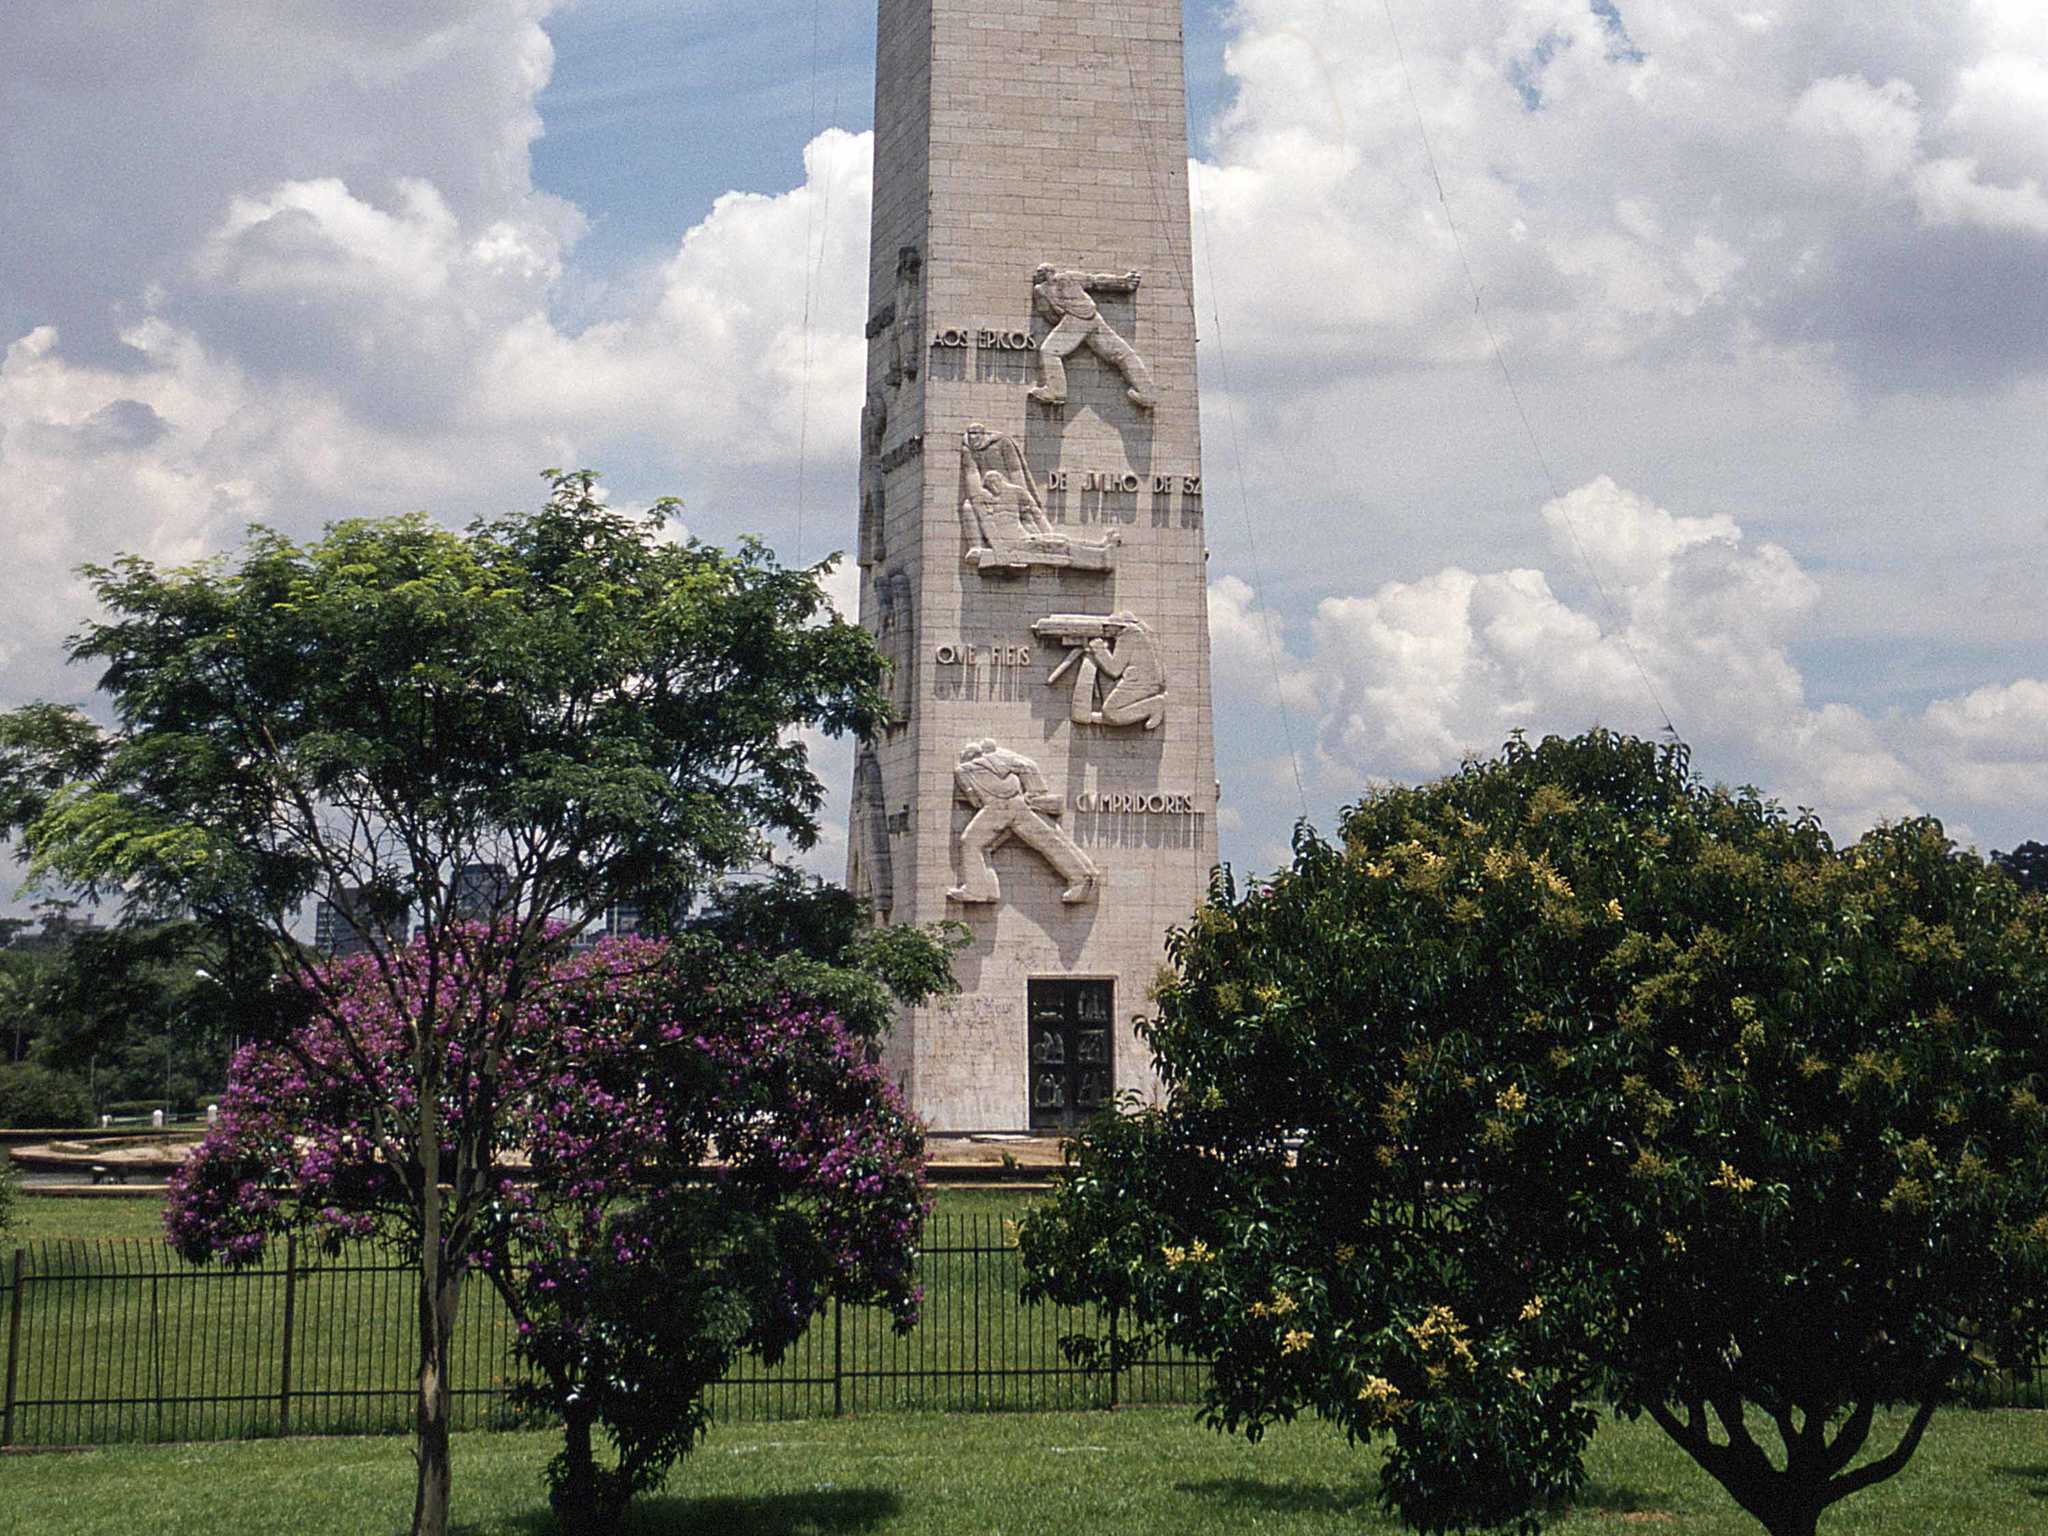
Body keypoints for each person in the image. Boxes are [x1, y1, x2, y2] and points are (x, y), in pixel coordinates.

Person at [948, 739, 1100, 904]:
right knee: (1048, 841)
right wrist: (1036, 791)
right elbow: (1028, 765)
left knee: (971, 842)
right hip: (1018, 804)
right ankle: (1080, 877)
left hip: (998, 808)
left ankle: (977, 890)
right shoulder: (1001, 759)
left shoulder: (964, 769)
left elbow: (974, 800)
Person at [959, 425, 1118, 572]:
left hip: (1025, 539)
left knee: (1060, 542)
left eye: (976, 434)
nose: (973, 438)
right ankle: (1101, 558)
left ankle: (1101, 551)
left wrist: (1048, 533)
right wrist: (997, 549)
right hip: (1018, 545)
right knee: (1060, 547)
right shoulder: (984, 506)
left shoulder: (1011, 493)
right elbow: (988, 524)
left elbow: (1030, 509)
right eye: (971, 434)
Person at [1027, 265, 1158, 410]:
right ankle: (1147, 392)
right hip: (1088, 318)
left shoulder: (1066, 279)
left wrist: (1123, 282)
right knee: (1120, 353)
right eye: (1042, 274)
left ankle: (1056, 391)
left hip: (1080, 318)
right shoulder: (1044, 289)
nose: (1048, 276)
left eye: (1045, 273)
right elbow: (1048, 312)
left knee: (1049, 351)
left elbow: (1095, 281)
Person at [1069, 611, 1168, 729]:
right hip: (1140, 680)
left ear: (1119, 626)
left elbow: (1114, 669)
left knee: (1111, 712)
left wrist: (1099, 649)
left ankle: (1154, 705)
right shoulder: (1135, 634)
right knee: (1110, 712)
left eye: (1108, 626)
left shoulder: (1128, 637)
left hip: (1140, 682)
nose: (1105, 629)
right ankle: (1105, 717)